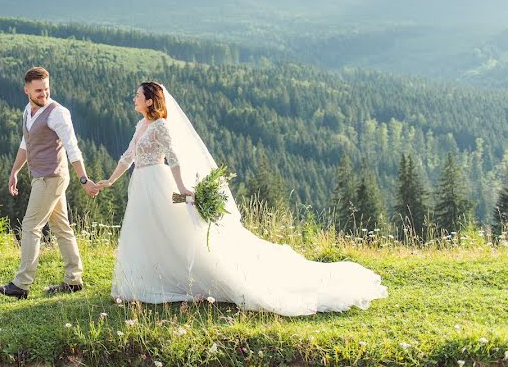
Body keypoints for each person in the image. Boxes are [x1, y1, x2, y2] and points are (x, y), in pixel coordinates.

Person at [97, 81, 388, 315]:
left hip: (159, 183)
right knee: (144, 232)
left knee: (170, 233)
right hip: (140, 184)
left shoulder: (160, 126)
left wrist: (183, 187)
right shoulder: (141, 126)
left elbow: (173, 158)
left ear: (150, 101)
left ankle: (175, 281)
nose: (133, 98)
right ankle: (141, 284)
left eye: (137, 95)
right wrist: (109, 181)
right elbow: (128, 156)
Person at [0, 67, 101, 300]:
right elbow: (26, 142)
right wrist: (14, 171)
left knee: (31, 226)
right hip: (39, 175)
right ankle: (74, 279)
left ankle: (21, 285)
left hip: (52, 177)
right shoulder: (28, 111)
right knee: (62, 227)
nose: (44, 94)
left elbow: (72, 147)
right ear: (27, 90)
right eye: (38, 90)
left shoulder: (58, 113)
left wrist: (84, 179)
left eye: (47, 89)